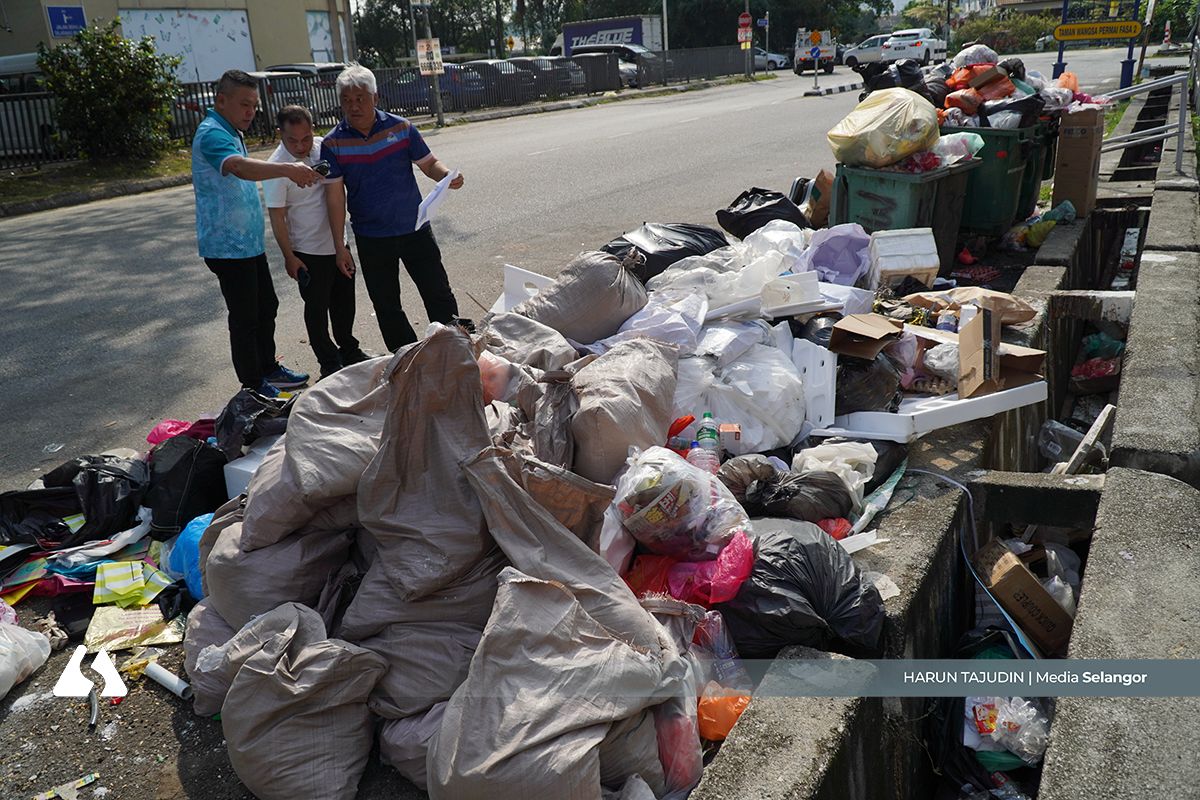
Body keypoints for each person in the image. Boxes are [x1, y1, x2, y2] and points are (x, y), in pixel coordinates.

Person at [321, 65, 465, 352]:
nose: (354, 106)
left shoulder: (401, 128)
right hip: (371, 236)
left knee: (437, 292)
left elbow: (428, 163)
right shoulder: (333, 142)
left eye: (360, 98)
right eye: (347, 100)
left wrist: (447, 176)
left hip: (414, 228)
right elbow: (335, 198)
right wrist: (340, 246)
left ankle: (455, 348)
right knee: (387, 305)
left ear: (375, 97)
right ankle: (407, 360)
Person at [192, 69, 317, 397]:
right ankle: (253, 385)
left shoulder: (230, 129)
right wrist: (288, 168)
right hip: (226, 247)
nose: (251, 112)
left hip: (247, 244)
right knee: (245, 317)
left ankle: (268, 369)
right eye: (244, 104)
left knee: (267, 306)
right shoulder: (211, 134)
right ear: (221, 101)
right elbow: (239, 167)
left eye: (254, 105)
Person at [263, 105, 372, 381]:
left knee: (345, 302)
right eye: (293, 140)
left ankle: (349, 349)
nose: (301, 146)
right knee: (317, 308)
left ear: (314, 130)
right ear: (280, 134)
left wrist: (341, 246)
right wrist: (289, 256)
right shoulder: (277, 167)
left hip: (338, 244)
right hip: (308, 252)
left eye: (306, 138)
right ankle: (328, 361)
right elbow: (277, 217)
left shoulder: (324, 148)